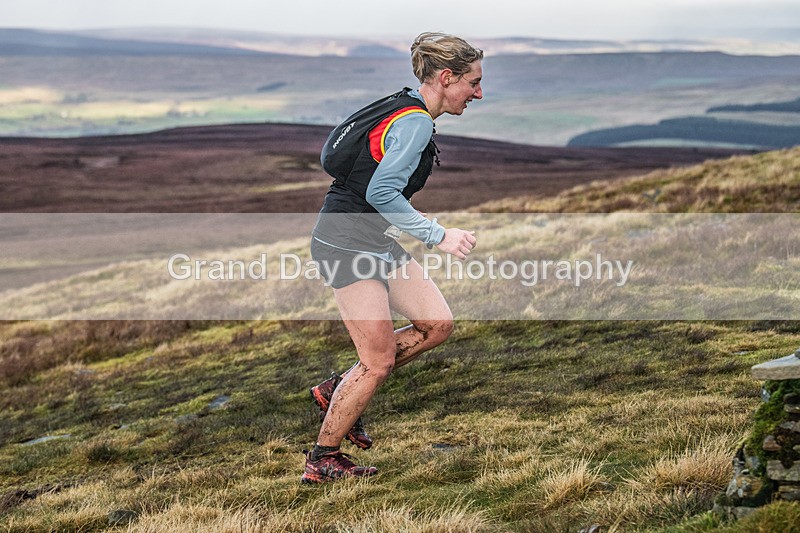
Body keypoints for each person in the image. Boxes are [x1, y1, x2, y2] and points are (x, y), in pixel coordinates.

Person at [301, 32, 483, 484]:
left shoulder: (405, 106)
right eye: (473, 82)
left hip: (375, 239)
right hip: (346, 241)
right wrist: (439, 235)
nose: (478, 93)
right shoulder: (415, 121)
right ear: (447, 77)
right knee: (378, 360)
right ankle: (323, 459)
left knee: (437, 324)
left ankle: (338, 388)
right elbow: (381, 192)